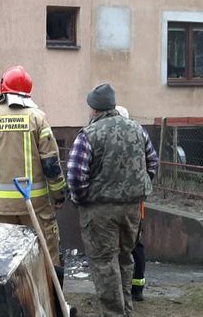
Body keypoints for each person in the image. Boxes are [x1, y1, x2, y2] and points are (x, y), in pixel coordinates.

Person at [67, 84, 158, 316]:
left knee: (104, 264)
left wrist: (80, 200)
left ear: (94, 108)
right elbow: (152, 163)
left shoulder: (89, 134)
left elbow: (76, 176)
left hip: (99, 212)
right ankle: (125, 310)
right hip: (132, 210)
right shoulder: (138, 129)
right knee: (125, 258)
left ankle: (114, 314)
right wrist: (136, 190)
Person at [0, 66, 66, 265]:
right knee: (47, 251)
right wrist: (59, 194)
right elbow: (51, 162)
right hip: (35, 204)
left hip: (0, 206)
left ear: (3, 90)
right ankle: (49, 294)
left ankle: (14, 295)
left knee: (6, 258)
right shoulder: (37, 118)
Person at [116, 105, 147, 303]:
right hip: (137, 202)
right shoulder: (139, 137)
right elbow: (152, 163)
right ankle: (137, 289)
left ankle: (122, 288)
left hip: (115, 203)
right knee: (136, 245)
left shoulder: (110, 139)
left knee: (118, 247)